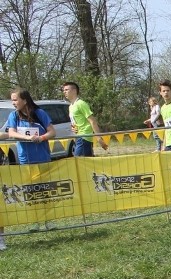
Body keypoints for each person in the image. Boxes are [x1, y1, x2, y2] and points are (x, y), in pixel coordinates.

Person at [1, 88, 58, 251]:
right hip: (25, 159)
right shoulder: (13, 116)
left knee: (44, 188)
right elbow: (11, 133)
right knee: (30, 189)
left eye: (15, 100)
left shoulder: (40, 113)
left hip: (43, 157)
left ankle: (48, 220)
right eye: (12, 100)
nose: (13, 103)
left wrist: (41, 138)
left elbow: (52, 132)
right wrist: (27, 138)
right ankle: (35, 220)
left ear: (25, 100)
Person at [61, 81, 109, 156]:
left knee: (79, 162)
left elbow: (92, 121)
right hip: (78, 137)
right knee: (86, 164)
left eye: (66, 90)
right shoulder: (71, 106)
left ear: (74, 90)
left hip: (84, 137)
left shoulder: (81, 104)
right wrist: (73, 128)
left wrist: (99, 138)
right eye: (63, 90)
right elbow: (75, 121)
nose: (64, 92)